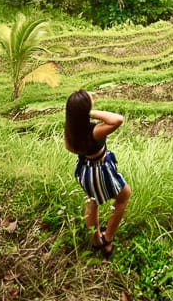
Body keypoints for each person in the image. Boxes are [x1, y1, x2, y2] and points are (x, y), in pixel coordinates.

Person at [64, 89, 131, 258]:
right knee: (124, 196)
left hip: (84, 170)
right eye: (89, 99)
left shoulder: (71, 129)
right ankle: (107, 239)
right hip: (99, 169)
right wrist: (90, 113)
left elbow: (69, 148)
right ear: (84, 110)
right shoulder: (93, 131)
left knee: (91, 203)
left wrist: (79, 116)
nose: (92, 97)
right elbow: (117, 119)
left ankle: (96, 241)